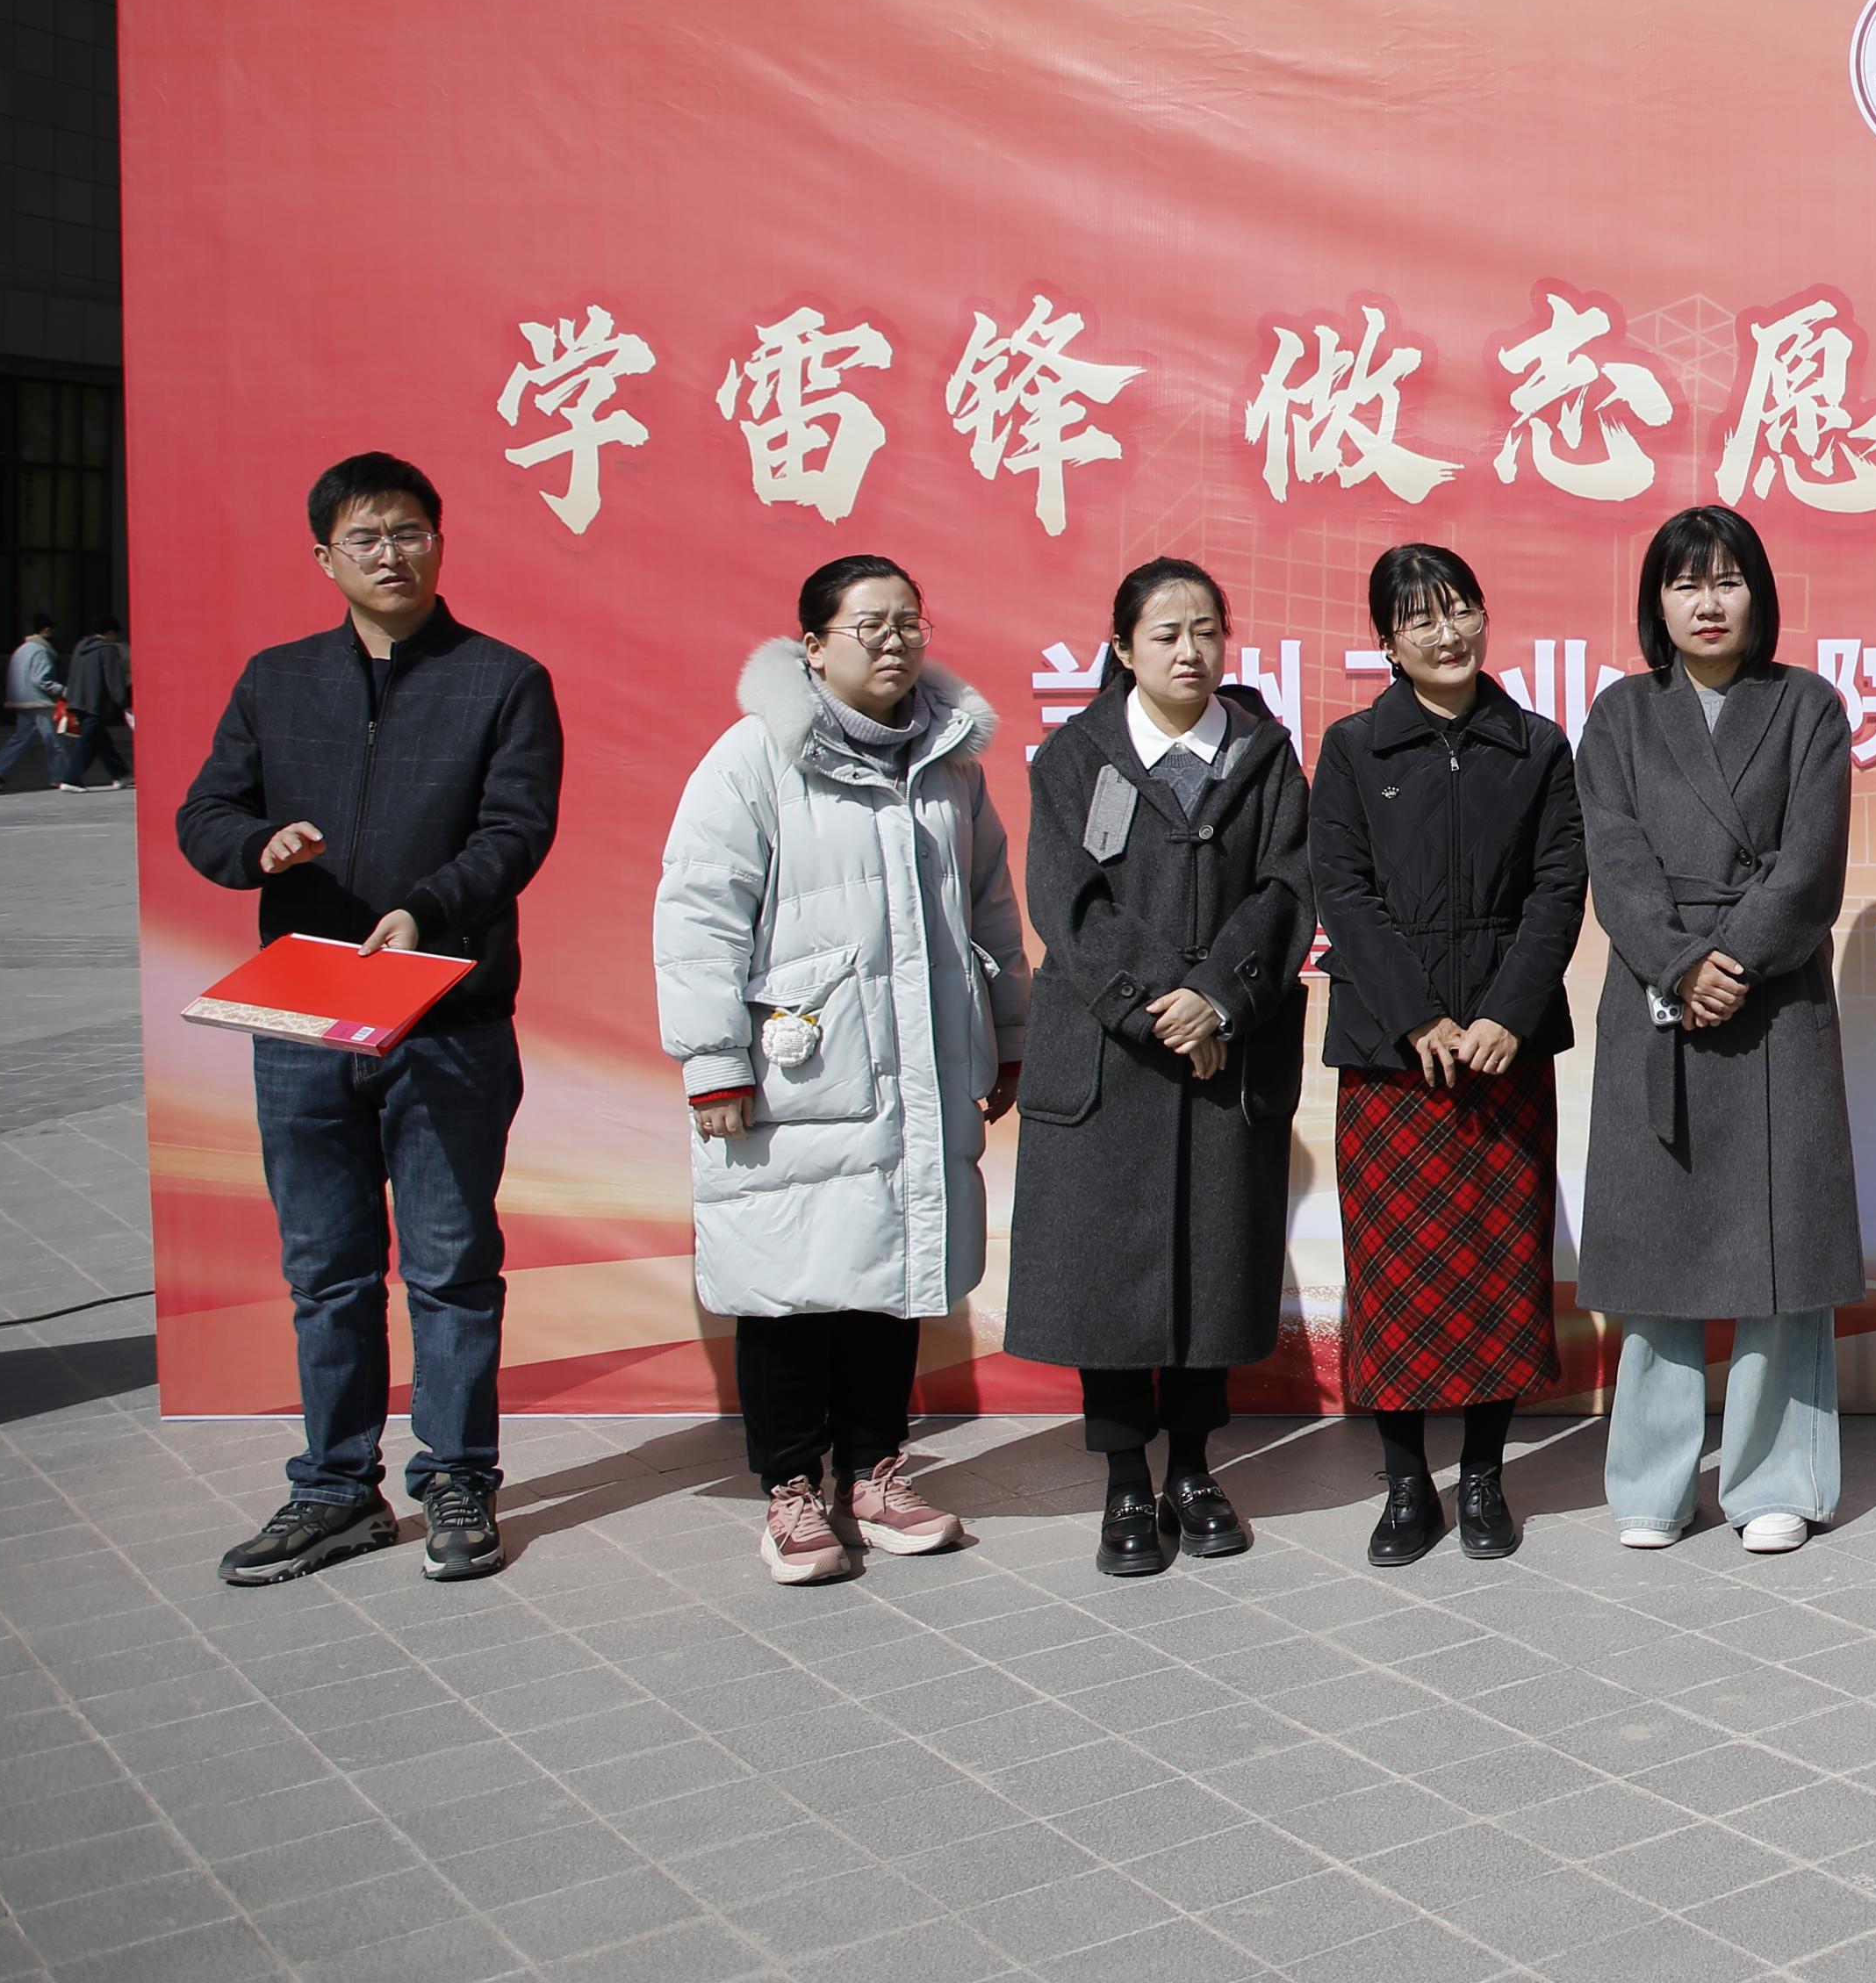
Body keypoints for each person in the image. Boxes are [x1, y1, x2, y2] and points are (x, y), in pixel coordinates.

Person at [174, 455, 563, 1587]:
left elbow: (516, 829)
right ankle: (336, 1487)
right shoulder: (276, 679)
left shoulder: (502, 679)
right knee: (327, 1268)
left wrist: (428, 910)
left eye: (409, 531)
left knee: (450, 1265)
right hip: (305, 1017)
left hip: (447, 1017)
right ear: (325, 557)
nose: (391, 553)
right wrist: (257, 846)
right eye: (366, 537)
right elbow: (206, 811)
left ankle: (457, 1477)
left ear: (439, 541)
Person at [652, 557, 1024, 1585]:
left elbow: (989, 906)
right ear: (813, 646)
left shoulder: (947, 763)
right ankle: (790, 1489)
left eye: (910, 621)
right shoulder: (753, 757)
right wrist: (713, 1061)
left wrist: (1005, 1031)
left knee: (890, 1272)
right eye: (870, 624)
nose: (895, 640)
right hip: (801, 1068)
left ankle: (873, 1471)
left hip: (918, 1066)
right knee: (786, 1283)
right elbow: (698, 913)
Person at [1004, 557, 1311, 1577]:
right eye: (1167, 632)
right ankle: (1124, 1481)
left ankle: (1192, 1468)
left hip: (1224, 1049)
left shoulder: (1264, 753)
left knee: (1209, 1273)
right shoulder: (1074, 756)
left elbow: (1285, 889)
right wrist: (1160, 1005)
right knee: (1107, 1281)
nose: (1190, 650)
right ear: (1123, 646)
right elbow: (1069, 904)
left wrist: (1218, 994)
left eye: (1207, 630)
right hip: (1111, 1056)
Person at [1573, 506, 1861, 1555]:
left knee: (1780, 1254)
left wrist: (1731, 959)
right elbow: (1613, 857)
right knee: (1656, 1248)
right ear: (1655, 601)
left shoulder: (1807, 704)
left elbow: (1810, 861)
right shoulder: (1618, 714)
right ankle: (1649, 1479)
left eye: (1727, 579)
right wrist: (1680, 964)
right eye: (1685, 582)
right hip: (1658, 999)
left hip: (1772, 999)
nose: (1707, 601)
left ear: (1759, 594)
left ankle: (1775, 1477)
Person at [1309, 542, 1585, 1570]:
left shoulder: (1536, 745)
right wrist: (1418, 1016)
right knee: (1394, 1276)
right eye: (1419, 617)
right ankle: (1402, 1484)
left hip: (1505, 1050)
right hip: (1393, 1053)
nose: (1447, 631)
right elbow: (1343, 892)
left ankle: (1481, 1476)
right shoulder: (1352, 748)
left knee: (1498, 1269)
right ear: (1387, 640)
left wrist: (1508, 1011)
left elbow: (1558, 886)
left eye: (1459, 606)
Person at [0, 610, 61, 790]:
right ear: (46, 630)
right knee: (54, 741)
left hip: (21, 699)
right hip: (40, 701)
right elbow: (41, 680)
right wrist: (62, 690)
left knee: (21, 738)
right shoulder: (41, 651)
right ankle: (61, 776)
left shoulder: (21, 650)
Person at [59, 617, 129, 790]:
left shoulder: (80, 648)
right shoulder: (107, 650)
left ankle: (121, 774)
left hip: (77, 701)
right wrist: (124, 702)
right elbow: (114, 680)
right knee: (88, 743)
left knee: (101, 741)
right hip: (95, 703)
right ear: (110, 633)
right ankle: (71, 779)